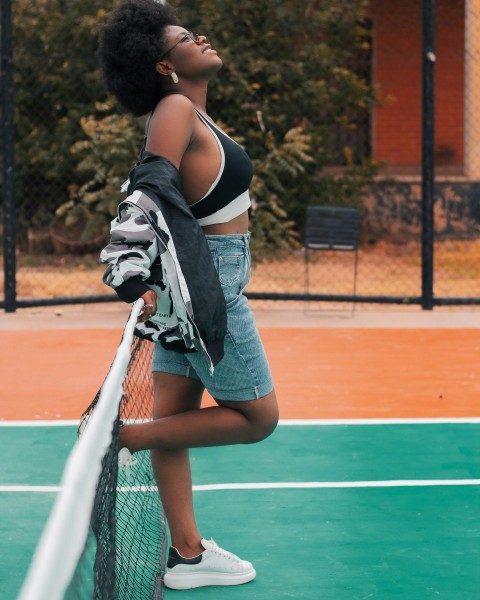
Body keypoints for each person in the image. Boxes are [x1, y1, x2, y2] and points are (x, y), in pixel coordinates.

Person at [98, 0, 278, 591]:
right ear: (162, 65)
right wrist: (132, 261)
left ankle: (188, 555)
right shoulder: (175, 107)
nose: (199, 36)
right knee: (257, 418)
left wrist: (157, 281)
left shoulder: (195, 113)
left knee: (174, 420)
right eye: (184, 36)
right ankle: (121, 439)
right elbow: (150, 182)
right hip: (210, 287)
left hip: (190, 281)